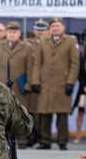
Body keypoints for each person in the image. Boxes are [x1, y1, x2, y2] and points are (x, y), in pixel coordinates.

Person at [30, 17, 79, 150]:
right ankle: (45, 141)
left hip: (62, 83)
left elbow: (75, 64)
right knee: (44, 113)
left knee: (62, 113)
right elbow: (37, 63)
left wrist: (71, 82)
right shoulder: (43, 41)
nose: (55, 28)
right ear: (50, 29)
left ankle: (62, 140)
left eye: (58, 26)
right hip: (45, 83)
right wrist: (35, 81)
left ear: (63, 27)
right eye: (53, 26)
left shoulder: (71, 41)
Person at [0, 21, 34, 148]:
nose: (12, 35)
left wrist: (29, 84)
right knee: (1, 113)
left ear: (19, 33)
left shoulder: (27, 47)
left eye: (15, 32)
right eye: (10, 32)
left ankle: (22, 140)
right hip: (1, 85)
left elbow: (30, 67)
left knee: (20, 114)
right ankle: (0, 140)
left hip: (19, 86)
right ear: (6, 33)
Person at [25, 18, 48, 146]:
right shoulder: (27, 43)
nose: (40, 32)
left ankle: (43, 138)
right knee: (31, 111)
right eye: (38, 30)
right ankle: (30, 137)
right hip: (30, 81)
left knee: (44, 112)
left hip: (46, 82)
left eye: (42, 30)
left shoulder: (49, 43)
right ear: (34, 30)